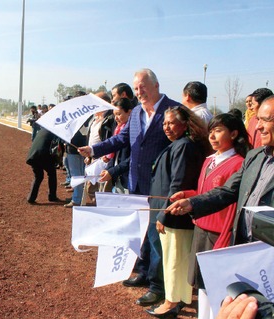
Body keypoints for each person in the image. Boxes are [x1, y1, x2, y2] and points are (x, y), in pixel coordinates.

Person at [79, 68, 180, 306]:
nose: (139, 92)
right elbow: (122, 140)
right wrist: (94, 150)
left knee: (157, 238)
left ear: (156, 85)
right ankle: (144, 272)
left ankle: (158, 286)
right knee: (141, 234)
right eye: (136, 88)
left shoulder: (173, 110)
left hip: (160, 187)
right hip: (136, 183)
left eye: (142, 87)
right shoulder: (135, 113)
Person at [170, 113, 251, 319]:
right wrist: (188, 195)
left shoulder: (238, 164)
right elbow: (205, 194)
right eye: (211, 131)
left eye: (218, 131)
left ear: (233, 133)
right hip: (201, 229)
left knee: (219, 288)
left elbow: (228, 201)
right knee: (202, 285)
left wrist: (225, 236)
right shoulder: (209, 161)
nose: (212, 136)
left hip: (218, 234)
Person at [165, 95, 274, 247]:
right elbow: (228, 191)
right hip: (244, 245)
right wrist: (192, 202)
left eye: (265, 120)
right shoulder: (255, 157)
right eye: (258, 119)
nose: (258, 126)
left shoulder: (238, 160)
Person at [145, 105, 209, 318]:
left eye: (171, 123)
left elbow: (178, 184)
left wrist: (164, 214)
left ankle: (171, 303)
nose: (166, 127)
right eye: (164, 123)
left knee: (174, 260)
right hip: (172, 212)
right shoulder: (180, 145)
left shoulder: (183, 147)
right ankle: (177, 299)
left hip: (175, 214)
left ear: (185, 124)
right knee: (176, 260)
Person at [26, 107, 62, 204]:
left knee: (38, 176)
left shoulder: (44, 129)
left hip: (33, 155)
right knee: (52, 174)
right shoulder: (55, 131)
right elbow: (57, 146)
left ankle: (31, 198)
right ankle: (52, 197)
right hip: (43, 155)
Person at [98, 97, 133, 194]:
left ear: (129, 112)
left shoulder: (134, 132)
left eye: (119, 114)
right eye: (114, 115)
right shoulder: (117, 129)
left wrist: (112, 171)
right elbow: (115, 154)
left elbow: (132, 158)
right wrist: (108, 169)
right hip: (117, 178)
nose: (116, 118)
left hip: (128, 179)